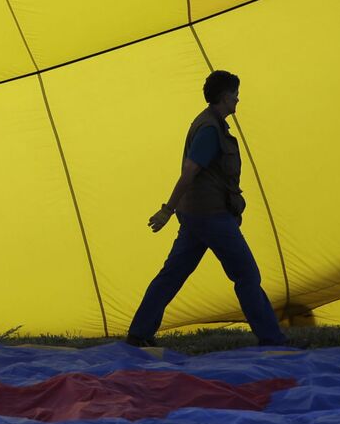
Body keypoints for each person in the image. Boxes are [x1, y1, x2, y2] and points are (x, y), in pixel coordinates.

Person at [124, 70, 293, 349]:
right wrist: (167, 209)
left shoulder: (209, 124)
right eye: (235, 94)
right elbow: (190, 170)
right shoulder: (209, 130)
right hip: (211, 217)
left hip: (195, 217)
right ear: (225, 96)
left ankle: (138, 333)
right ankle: (272, 339)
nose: (238, 99)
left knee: (173, 274)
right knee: (247, 275)